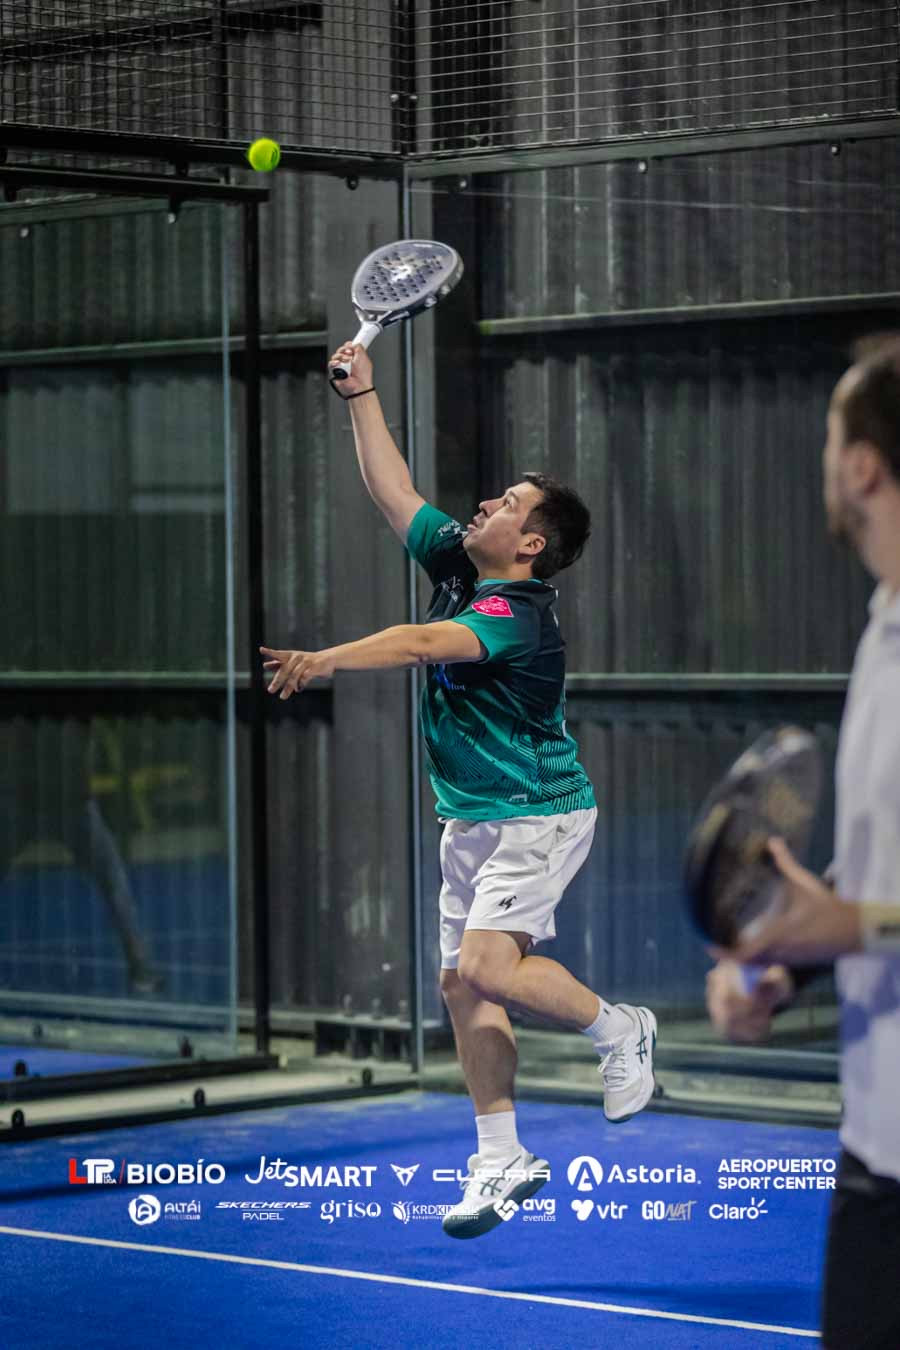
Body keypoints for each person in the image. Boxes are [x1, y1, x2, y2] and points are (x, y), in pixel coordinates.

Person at [261, 341, 658, 1240]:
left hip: (539, 814)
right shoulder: (459, 566)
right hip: (473, 818)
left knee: (487, 968)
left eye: (509, 504)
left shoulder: (517, 616)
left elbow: (417, 645)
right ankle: (499, 1157)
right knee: (462, 986)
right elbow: (393, 490)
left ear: (532, 545)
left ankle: (618, 1027)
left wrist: (325, 658)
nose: (487, 504)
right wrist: (361, 394)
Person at [706, 339, 900, 1350]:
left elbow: (872, 913)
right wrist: (794, 960)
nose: (823, 459)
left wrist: (850, 927)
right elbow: (876, 880)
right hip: (877, 1144)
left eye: (831, 437)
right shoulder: (882, 629)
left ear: (861, 465)